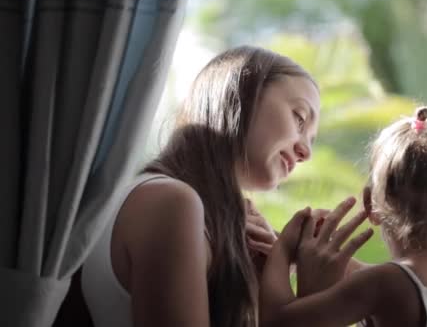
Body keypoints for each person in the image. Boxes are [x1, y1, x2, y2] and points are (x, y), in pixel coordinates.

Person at [81, 45, 337, 327]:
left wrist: (264, 287)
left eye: (312, 139)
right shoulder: (171, 202)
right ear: (243, 93)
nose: (306, 152)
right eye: (299, 118)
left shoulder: (185, 208)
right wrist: (308, 308)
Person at [260, 106, 427, 327]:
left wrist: (281, 250)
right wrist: (304, 253)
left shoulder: (385, 284)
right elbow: (381, 278)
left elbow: (277, 322)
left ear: (371, 205)